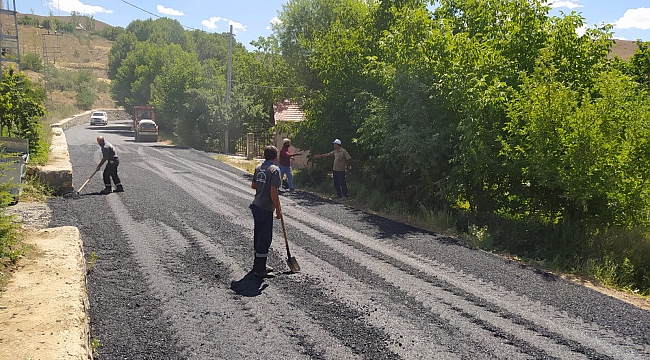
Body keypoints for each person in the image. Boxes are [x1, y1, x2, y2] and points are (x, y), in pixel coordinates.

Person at [250, 145, 283, 278]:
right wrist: (278, 211)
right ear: (276, 156)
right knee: (265, 238)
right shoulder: (274, 170)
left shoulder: (259, 168)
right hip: (265, 208)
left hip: (256, 205)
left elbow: (253, 185)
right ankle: (259, 269)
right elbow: (273, 192)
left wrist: (262, 186)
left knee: (258, 235)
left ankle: (260, 264)